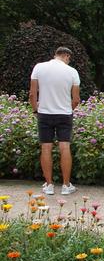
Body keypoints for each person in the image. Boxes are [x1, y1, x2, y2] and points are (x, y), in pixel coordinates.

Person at [29, 47, 81, 195]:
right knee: (65, 147)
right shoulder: (72, 72)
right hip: (64, 114)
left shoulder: (39, 68)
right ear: (66, 55)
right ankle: (66, 186)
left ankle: (49, 185)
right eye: (68, 58)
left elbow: (33, 94)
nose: (68, 60)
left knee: (46, 148)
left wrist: (35, 110)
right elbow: (76, 99)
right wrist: (68, 108)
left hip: (44, 113)